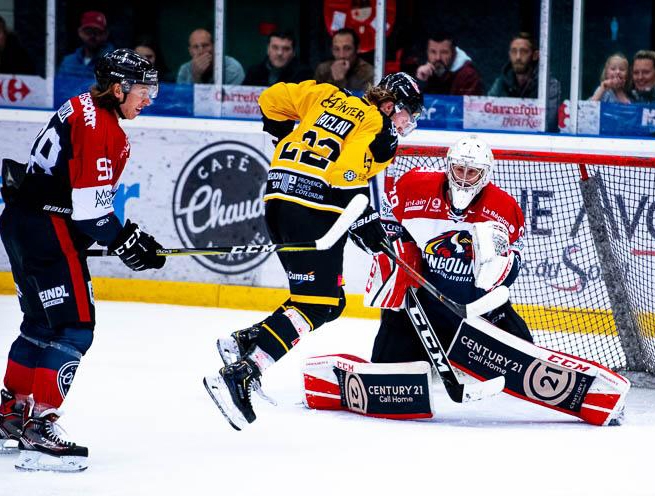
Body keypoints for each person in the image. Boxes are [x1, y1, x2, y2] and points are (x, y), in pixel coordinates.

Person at [203, 72, 425, 430]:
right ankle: (246, 371)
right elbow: (344, 179)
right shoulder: (378, 127)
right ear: (390, 105)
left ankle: (246, 342)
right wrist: (366, 222)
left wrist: (283, 139)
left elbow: (271, 99)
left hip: (277, 196)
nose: (406, 123)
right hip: (314, 205)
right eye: (406, 114)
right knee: (318, 303)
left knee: (327, 300)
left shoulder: (324, 94)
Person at [0, 49, 166, 471]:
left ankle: (9, 414)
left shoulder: (82, 106)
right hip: (47, 230)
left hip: (21, 221)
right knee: (74, 328)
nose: (149, 99)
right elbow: (91, 212)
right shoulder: (101, 129)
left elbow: (77, 201)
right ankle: (40, 424)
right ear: (118, 88)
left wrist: (123, 238)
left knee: (40, 324)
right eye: (143, 90)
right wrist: (129, 241)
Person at [367, 135, 533, 366]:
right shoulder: (414, 186)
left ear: (485, 175)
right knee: (385, 366)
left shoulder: (504, 208)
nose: (464, 179)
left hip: (477, 311)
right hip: (421, 309)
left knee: (526, 367)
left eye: (472, 172)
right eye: (458, 169)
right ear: (448, 167)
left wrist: (499, 264)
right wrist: (401, 248)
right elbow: (388, 221)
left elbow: (512, 266)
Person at [487, 32, 561, 132]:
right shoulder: (501, 82)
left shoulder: (549, 85)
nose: (517, 57)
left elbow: (549, 122)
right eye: (514, 51)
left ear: (535, 55)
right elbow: (487, 116)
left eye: (523, 51)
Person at [415, 31, 483, 96]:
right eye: (433, 52)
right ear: (427, 52)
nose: (438, 58)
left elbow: (468, 107)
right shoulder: (425, 70)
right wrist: (421, 81)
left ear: (454, 53)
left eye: (444, 52)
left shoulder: (468, 75)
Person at [243, 30, 312, 87]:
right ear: (268, 49)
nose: (280, 53)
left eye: (286, 49)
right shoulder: (253, 73)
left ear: (293, 52)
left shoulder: (304, 75)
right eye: (275, 47)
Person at [57, 11, 114, 79]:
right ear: (80, 32)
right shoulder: (68, 62)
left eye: (97, 32)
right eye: (88, 32)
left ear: (105, 34)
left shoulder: (112, 62)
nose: (92, 36)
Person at [314, 27, 374, 92]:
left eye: (347, 48)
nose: (341, 55)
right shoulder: (323, 70)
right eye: (336, 49)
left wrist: (339, 81)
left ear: (357, 49)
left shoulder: (368, 73)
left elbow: (358, 101)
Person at [176, 28, 244, 85]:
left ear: (215, 47)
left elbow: (232, 99)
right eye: (196, 47)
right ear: (190, 51)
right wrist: (196, 77)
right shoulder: (185, 70)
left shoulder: (232, 68)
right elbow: (181, 99)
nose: (201, 51)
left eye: (205, 45)